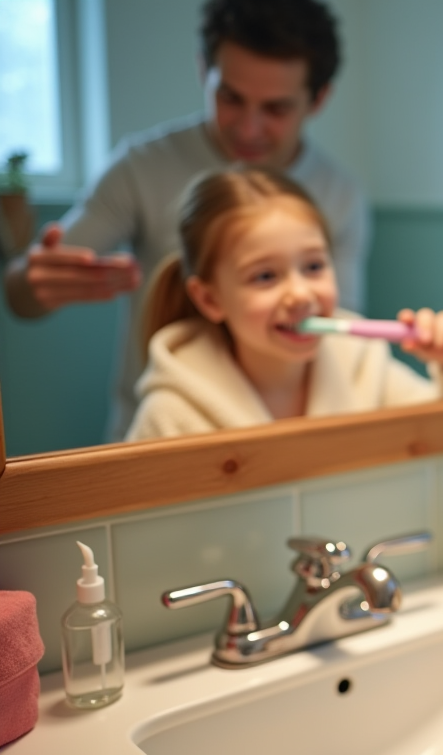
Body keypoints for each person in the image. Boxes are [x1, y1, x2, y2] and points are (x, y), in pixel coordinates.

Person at [4, 0, 368, 441]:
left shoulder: (340, 194)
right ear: (203, 70)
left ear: (319, 98)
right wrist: (31, 280)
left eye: (275, 109)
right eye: (231, 98)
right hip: (160, 440)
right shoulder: (141, 167)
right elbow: (24, 298)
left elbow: (334, 336)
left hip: (280, 450)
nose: (249, 129)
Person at [125, 167, 443, 441]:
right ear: (210, 299)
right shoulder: (171, 415)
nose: (301, 295)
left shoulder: (363, 365)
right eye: (265, 277)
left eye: (314, 266)